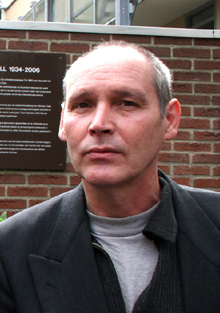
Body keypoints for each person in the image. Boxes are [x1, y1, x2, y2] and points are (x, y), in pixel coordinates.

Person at [0, 41, 219, 313]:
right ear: (61, 123)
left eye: (126, 103)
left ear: (170, 119)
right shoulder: (10, 250)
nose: (99, 124)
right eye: (82, 104)